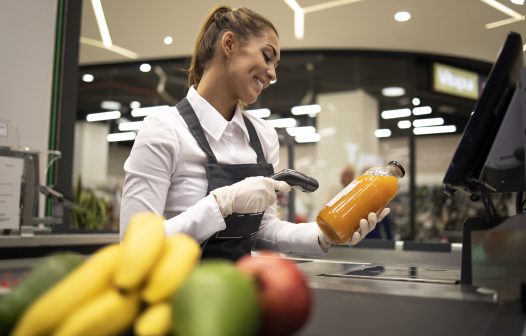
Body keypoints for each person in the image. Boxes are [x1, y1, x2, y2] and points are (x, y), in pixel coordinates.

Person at [120, 5, 387, 260]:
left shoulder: (263, 135)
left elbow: (264, 229)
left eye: (276, 66)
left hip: (241, 294)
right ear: (229, 44)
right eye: (267, 56)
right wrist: (222, 203)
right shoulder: (164, 129)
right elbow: (134, 247)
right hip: (175, 298)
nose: (272, 74)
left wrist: (324, 235)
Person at [339, 164, 393, 240]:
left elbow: (386, 224)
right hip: (356, 238)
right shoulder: (352, 195)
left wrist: (391, 243)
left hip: (372, 240)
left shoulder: (378, 199)